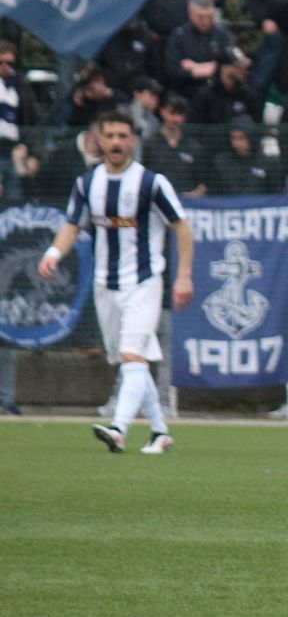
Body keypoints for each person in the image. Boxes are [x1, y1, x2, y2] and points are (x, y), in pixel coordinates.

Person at [37, 110, 192, 454]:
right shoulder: (87, 183)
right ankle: (160, 432)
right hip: (105, 284)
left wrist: (183, 276)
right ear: (99, 140)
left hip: (144, 281)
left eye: (123, 136)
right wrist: (53, 252)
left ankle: (118, 429)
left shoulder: (151, 183)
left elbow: (182, 227)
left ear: (133, 141)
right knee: (132, 360)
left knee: (132, 355)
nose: (117, 142)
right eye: (111, 136)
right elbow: (72, 225)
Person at [141, 94, 208, 198]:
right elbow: (144, 177)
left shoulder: (194, 147)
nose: (176, 119)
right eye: (172, 113)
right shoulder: (150, 144)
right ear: (162, 111)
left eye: (180, 114)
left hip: (188, 203)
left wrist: (193, 196)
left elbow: (203, 184)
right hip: (158, 200)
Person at [212, 117, 279, 196]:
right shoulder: (222, 162)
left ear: (251, 138)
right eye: (234, 138)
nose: (236, 143)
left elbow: (275, 194)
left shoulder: (266, 162)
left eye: (241, 138)